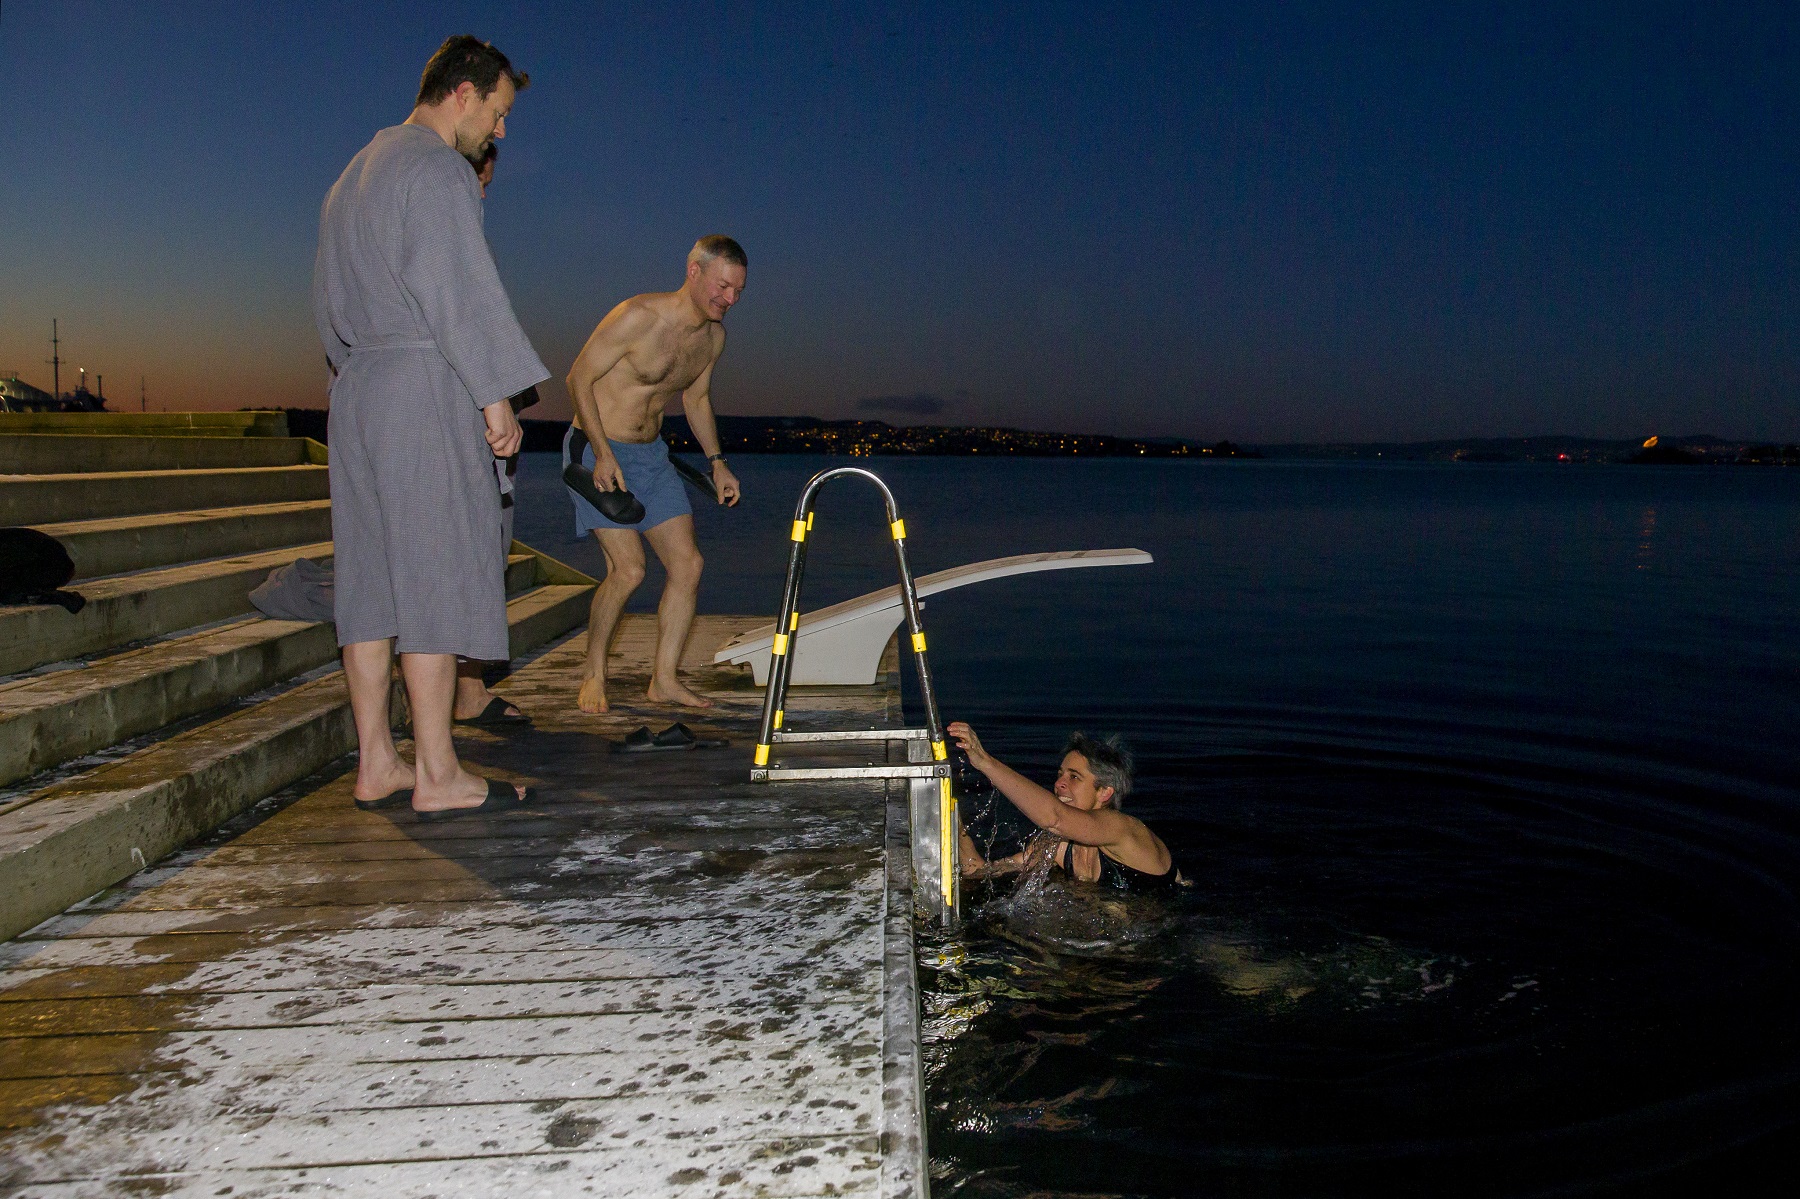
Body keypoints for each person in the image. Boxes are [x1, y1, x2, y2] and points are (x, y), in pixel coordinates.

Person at [313, 35, 546, 818]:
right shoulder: (436, 167)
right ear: (465, 93)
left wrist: (356, 375)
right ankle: (439, 771)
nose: (502, 132)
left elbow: (327, 309)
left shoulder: (353, 173)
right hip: (419, 381)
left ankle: (378, 761)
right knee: (437, 568)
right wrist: (494, 395)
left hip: (357, 391)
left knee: (372, 585)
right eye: (500, 112)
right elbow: (457, 287)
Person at [563, 236, 746, 713]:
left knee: (688, 565)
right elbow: (577, 379)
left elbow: (696, 400)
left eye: (738, 292)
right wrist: (602, 453)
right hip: (597, 447)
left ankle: (663, 680)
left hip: (651, 456)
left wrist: (717, 462)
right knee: (629, 571)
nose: (730, 299)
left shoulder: (712, 338)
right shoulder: (636, 316)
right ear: (694, 272)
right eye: (723, 286)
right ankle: (593, 673)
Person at [451, 137, 528, 729]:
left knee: (486, 566)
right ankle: (455, 701)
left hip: (492, 446)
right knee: (466, 572)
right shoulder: (446, 238)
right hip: (459, 441)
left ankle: (469, 691)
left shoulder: (467, 245)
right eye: (478, 181)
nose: (482, 193)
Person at [947, 722, 1183, 889]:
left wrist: (985, 762)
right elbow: (979, 872)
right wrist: (952, 819)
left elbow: (1055, 817)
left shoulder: (1123, 829)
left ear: (1104, 792)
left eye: (1074, 777)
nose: (1059, 783)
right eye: (1060, 774)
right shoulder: (1057, 848)